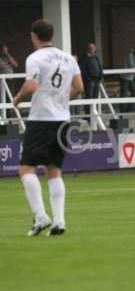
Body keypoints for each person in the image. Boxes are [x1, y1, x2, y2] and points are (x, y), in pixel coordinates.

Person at [13, 19, 84, 236]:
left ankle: (41, 216)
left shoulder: (35, 58)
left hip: (41, 119)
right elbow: (79, 87)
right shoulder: (68, 58)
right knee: (54, 170)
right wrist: (61, 100)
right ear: (52, 35)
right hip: (62, 119)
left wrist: (17, 98)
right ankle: (59, 221)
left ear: (34, 36)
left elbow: (32, 85)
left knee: (26, 168)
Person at [80, 43, 103, 117]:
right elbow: (83, 70)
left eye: (94, 48)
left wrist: (100, 76)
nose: (93, 50)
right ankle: (88, 115)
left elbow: (100, 66)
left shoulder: (96, 57)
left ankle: (95, 112)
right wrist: (88, 78)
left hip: (97, 80)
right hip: (90, 81)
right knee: (89, 97)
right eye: (91, 48)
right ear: (88, 49)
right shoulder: (84, 58)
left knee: (95, 97)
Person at [120, 47, 135, 112]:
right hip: (124, 78)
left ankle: (129, 108)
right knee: (124, 94)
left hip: (131, 78)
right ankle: (122, 109)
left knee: (134, 93)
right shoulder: (130, 56)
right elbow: (131, 66)